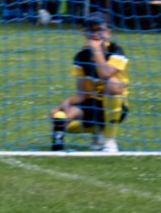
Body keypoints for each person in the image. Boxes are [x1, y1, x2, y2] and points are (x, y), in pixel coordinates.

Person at [49, 15, 129, 153]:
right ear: (85, 33)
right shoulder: (81, 57)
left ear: (108, 33)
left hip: (116, 106)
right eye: (91, 30)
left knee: (112, 84)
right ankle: (96, 131)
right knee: (63, 118)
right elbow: (83, 94)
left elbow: (105, 74)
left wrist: (96, 50)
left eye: (100, 30)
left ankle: (109, 139)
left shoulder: (115, 51)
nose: (95, 34)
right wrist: (64, 105)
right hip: (93, 105)